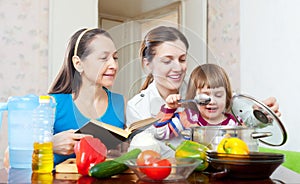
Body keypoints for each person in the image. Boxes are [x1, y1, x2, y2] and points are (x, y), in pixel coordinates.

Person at [126, 26, 281, 157]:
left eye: (182, 59)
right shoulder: (138, 106)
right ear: (148, 64)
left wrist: (261, 114)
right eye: (167, 61)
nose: (178, 68)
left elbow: (242, 114)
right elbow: (145, 152)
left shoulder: (201, 90)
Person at [48, 28, 125, 166]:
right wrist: (49, 145)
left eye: (115, 58)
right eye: (103, 58)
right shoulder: (52, 104)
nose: (113, 65)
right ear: (78, 64)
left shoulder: (120, 102)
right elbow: (9, 156)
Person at [154, 64, 238, 140]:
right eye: (205, 96)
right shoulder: (188, 118)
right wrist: (169, 108)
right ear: (194, 96)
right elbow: (160, 134)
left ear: (227, 97)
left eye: (218, 95)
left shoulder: (234, 123)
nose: (212, 101)